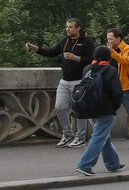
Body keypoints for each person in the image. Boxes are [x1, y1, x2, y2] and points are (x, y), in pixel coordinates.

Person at [26, 18, 95, 148]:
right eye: (67, 27)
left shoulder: (87, 43)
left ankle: (80, 137)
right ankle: (68, 134)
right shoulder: (65, 41)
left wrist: (76, 58)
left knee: (79, 110)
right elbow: (52, 52)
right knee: (59, 107)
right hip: (64, 80)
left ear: (78, 28)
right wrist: (35, 49)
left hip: (79, 81)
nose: (67, 29)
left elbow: (92, 60)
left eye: (70, 27)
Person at [73, 45, 126, 175]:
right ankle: (84, 165)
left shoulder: (87, 69)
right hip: (105, 109)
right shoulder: (110, 70)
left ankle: (112, 163)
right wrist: (114, 107)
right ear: (108, 57)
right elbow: (117, 92)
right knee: (98, 136)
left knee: (103, 136)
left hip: (89, 109)